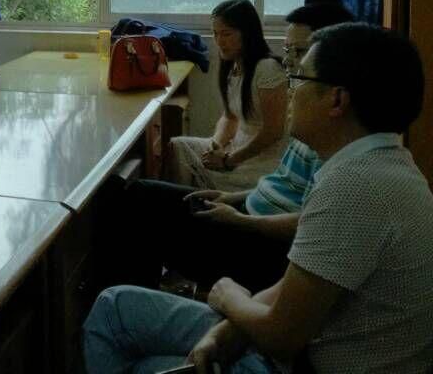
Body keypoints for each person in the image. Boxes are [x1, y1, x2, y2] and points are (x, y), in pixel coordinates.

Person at [84, 23, 433, 374]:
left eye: (299, 79)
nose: (290, 91)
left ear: (337, 100)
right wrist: (224, 332)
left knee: (115, 321)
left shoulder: (354, 186)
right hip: (294, 346)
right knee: (115, 307)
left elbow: (281, 336)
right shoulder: (384, 166)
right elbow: (289, 288)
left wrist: (229, 298)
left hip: (297, 362)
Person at [119, 3, 354, 293]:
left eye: (300, 52)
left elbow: (313, 224)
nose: (289, 65)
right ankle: (132, 295)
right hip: (248, 206)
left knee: (143, 212)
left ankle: (132, 298)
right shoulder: (309, 132)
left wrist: (240, 217)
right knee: (134, 192)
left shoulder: (342, 148)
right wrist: (231, 195)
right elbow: (277, 179)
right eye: (289, 51)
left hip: (257, 234)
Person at [168, 0, 287, 190]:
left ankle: (193, 202)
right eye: (215, 34)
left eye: (226, 34)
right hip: (234, 147)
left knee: (193, 162)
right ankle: (185, 200)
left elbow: (273, 132)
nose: (219, 41)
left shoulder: (267, 68)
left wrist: (228, 160)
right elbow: (230, 117)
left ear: (247, 33)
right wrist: (215, 145)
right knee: (178, 145)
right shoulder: (234, 67)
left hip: (261, 159)